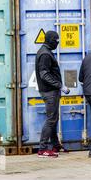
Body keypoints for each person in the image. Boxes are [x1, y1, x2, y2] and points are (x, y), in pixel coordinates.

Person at [35, 30, 70, 158]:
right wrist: (60, 85)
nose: (58, 43)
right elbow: (44, 74)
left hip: (51, 91)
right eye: (56, 41)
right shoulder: (45, 54)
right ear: (50, 40)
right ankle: (42, 149)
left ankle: (55, 145)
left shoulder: (46, 51)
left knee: (54, 119)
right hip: (49, 92)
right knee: (51, 119)